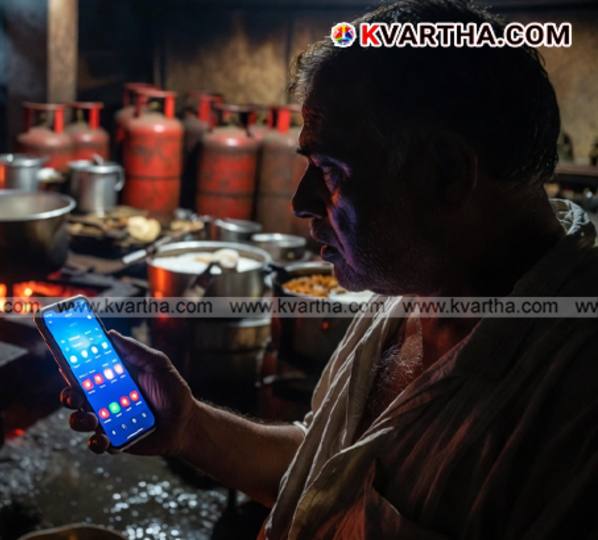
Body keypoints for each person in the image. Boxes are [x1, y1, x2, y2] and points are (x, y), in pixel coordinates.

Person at [62, 0, 598, 538]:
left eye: (329, 168)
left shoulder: (571, 401)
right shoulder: (409, 287)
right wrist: (191, 428)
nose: (299, 201)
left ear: (443, 173)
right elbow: (331, 475)